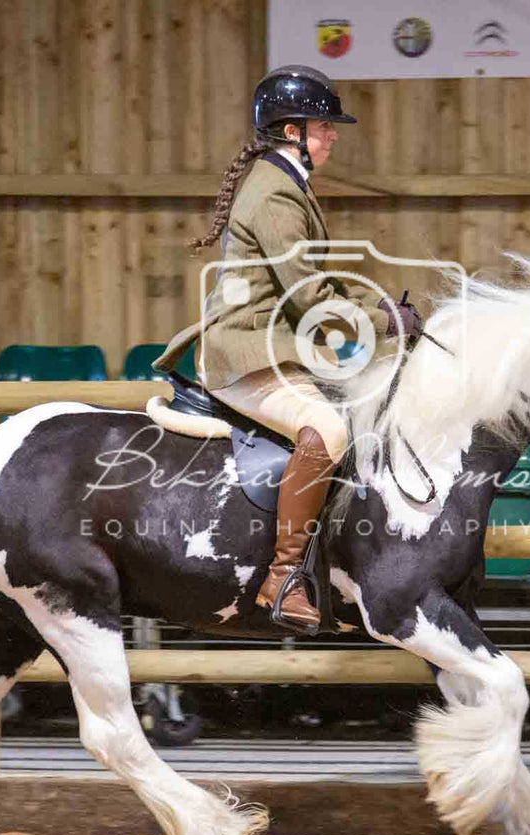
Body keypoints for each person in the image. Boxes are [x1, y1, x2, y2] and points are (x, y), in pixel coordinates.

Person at [154, 65, 420, 632]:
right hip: (248, 353)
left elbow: (313, 279)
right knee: (328, 431)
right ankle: (283, 576)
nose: (333, 136)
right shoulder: (275, 191)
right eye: (324, 126)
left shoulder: (285, 182)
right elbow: (308, 297)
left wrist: (382, 312)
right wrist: (382, 320)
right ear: (291, 129)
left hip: (275, 344)